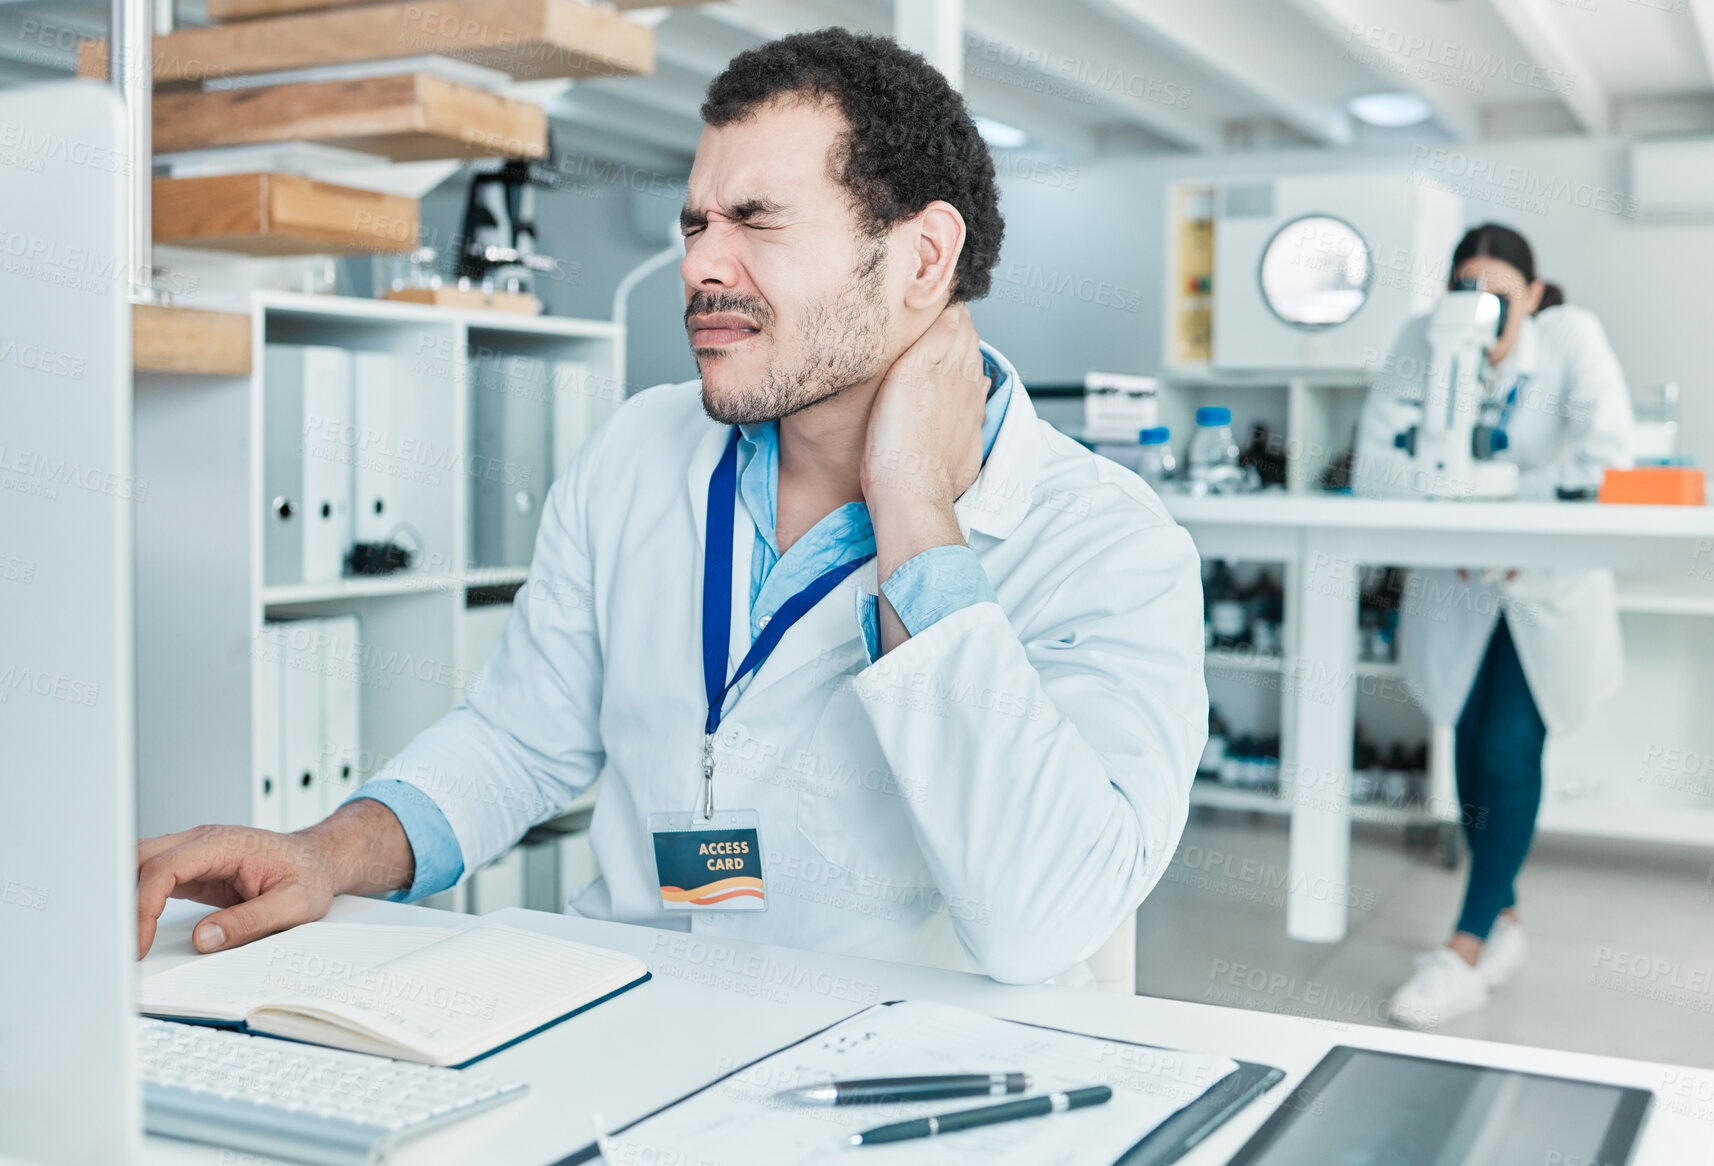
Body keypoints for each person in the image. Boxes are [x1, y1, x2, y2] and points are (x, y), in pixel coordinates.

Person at [133, 29, 1207, 986]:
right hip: (628, 1013)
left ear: (923, 255)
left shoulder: (1106, 543)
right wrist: (328, 851)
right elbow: (519, 735)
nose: (698, 264)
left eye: (755, 221)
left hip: (901, 1070)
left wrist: (915, 512)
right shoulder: (640, 450)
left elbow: (1046, 916)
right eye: (694, 223)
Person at [1354, 223, 1634, 1027]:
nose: (1477, 310)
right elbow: (1377, 466)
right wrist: (1464, 521)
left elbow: (1608, 453)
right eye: (1463, 290)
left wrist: (1508, 514)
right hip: (1459, 584)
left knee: (1512, 747)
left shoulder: (1570, 339)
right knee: (1472, 754)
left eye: (1498, 295)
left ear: (1535, 297)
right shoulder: (1425, 340)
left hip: (1545, 583)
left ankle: (1467, 945)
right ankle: (1503, 919)